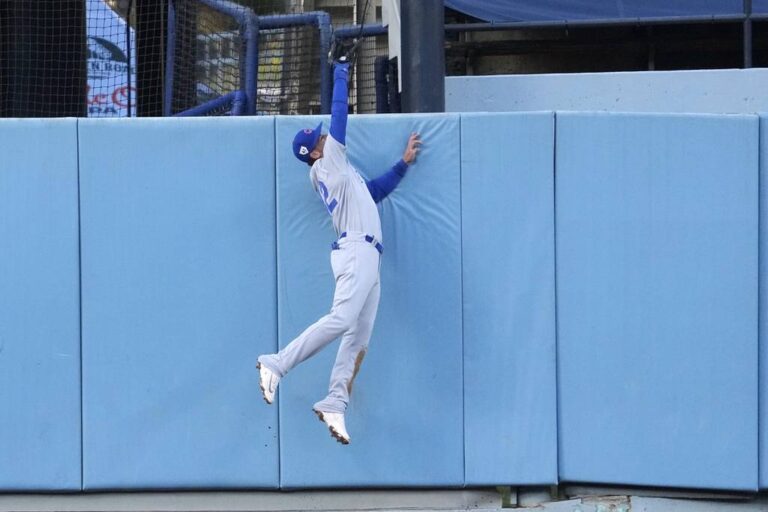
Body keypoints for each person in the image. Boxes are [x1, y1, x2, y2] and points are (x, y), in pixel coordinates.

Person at [256, 58, 421, 445]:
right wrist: (341, 70)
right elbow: (340, 113)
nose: (325, 137)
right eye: (318, 140)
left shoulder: (339, 170)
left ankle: (335, 401)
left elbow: (374, 193)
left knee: (358, 335)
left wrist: (403, 164)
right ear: (314, 153)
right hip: (356, 251)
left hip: (367, 254)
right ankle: (275, 363)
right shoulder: (327, 163)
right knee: (342, 319)